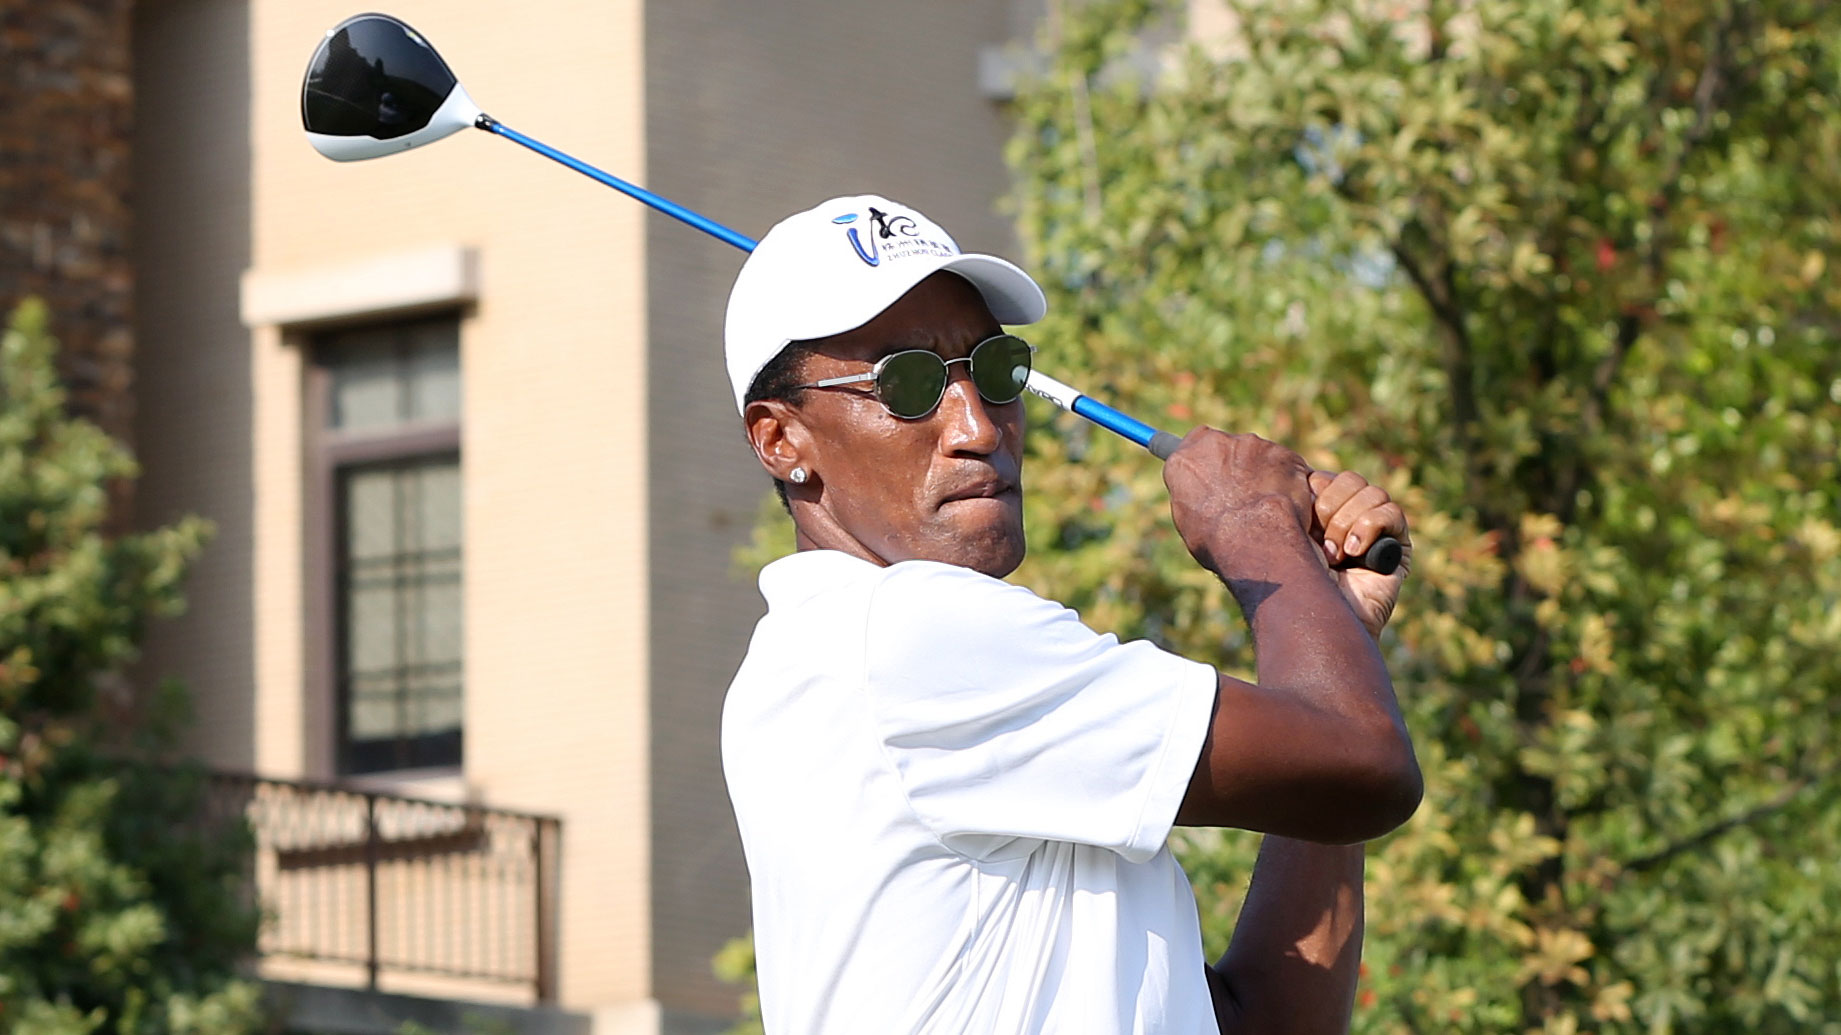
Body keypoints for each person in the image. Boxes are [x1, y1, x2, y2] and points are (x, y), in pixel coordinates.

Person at [721, 194, 1422, 1034]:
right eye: (906, 383)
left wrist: (1334, 623)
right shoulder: (903, 631)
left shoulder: (837, 666)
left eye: (993, 369)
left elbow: (1268, 1019)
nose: (978, 427)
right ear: (780, 440)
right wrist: (1253, 525)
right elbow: (1364, 766)